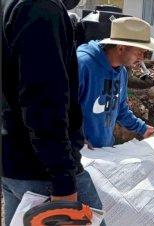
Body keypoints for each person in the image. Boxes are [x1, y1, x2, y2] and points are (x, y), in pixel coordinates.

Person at [2, 0, 105, 225]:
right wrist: (63, 178)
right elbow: (43, 100)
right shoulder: (40, 7)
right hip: (42, 169)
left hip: (14, 162)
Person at [77, 17, 154, 148]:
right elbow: (57, 108)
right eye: (139, 53)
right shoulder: (82, 64)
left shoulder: (121, 72)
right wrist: (75, 139)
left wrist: (142, 128)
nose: (142, 59)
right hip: (78, 154)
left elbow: (120, 109)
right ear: (121, 48)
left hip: (104, 151)